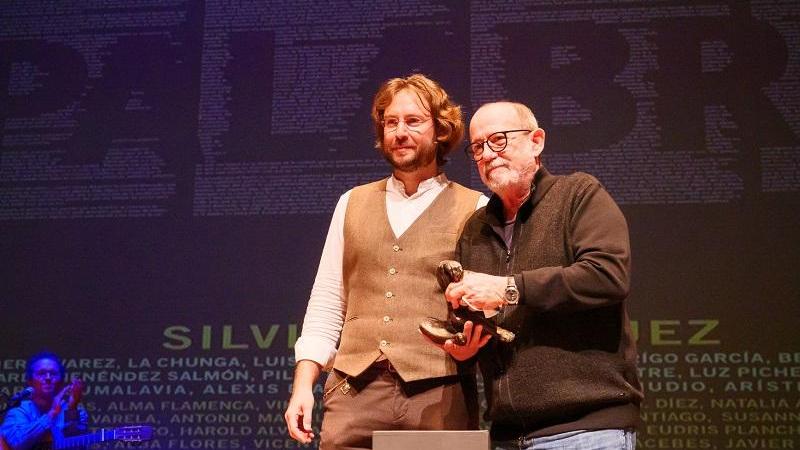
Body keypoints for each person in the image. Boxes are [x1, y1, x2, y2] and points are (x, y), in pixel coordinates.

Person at [284, 74, 488, 450]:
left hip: (438, 395)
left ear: (441, 130)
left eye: (413, 121)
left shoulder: (475, 208)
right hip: (355, 393)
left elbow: (485, 309)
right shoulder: (352, 203)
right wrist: (303, 385)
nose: (400, 132)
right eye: (391, 122)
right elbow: (328, 302)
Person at [435, 101, 643, 450]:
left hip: (586, 431)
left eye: (499, 140)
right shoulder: (475, 230)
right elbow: (477, 322)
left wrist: (510, 289)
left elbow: (608, 275)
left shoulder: (578, 195)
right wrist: (464, 343)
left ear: (536, 141)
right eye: (477, 147)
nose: (487, 154)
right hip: (508, 437)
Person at [1, 352, 89, 450]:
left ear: (61, 381)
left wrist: (72, 409)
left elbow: (78, 447)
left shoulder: (75, 411)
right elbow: (17, 443)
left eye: (53, 374)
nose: (48, 378)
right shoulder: (19, 410)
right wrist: (51, 413)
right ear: (30, 381)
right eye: (41, 373)